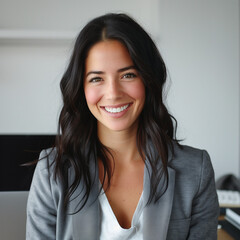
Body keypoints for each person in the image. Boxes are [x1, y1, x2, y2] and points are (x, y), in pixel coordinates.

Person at [26, 13, 219, 240]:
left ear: (148, 79)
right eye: (97, 79)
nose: (114, 94)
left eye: (128, 75)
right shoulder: (52, 172)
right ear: (81, 88)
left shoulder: (196, 170)